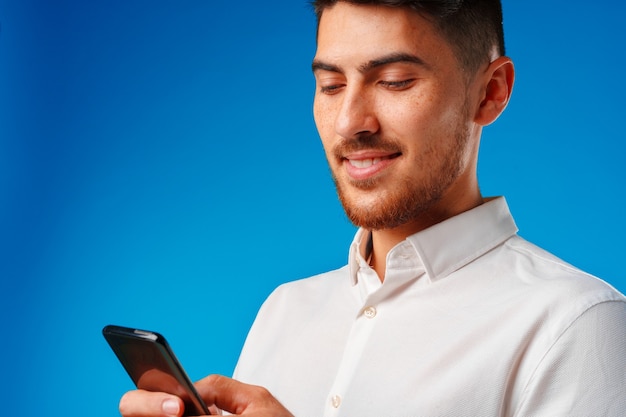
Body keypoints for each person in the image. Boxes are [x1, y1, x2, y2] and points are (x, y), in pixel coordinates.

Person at [119, 1, 626, 416]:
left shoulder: (576, 324)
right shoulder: (284, 310)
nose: (349, 122)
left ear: (490, 92)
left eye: (395, 80)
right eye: (331, 85)